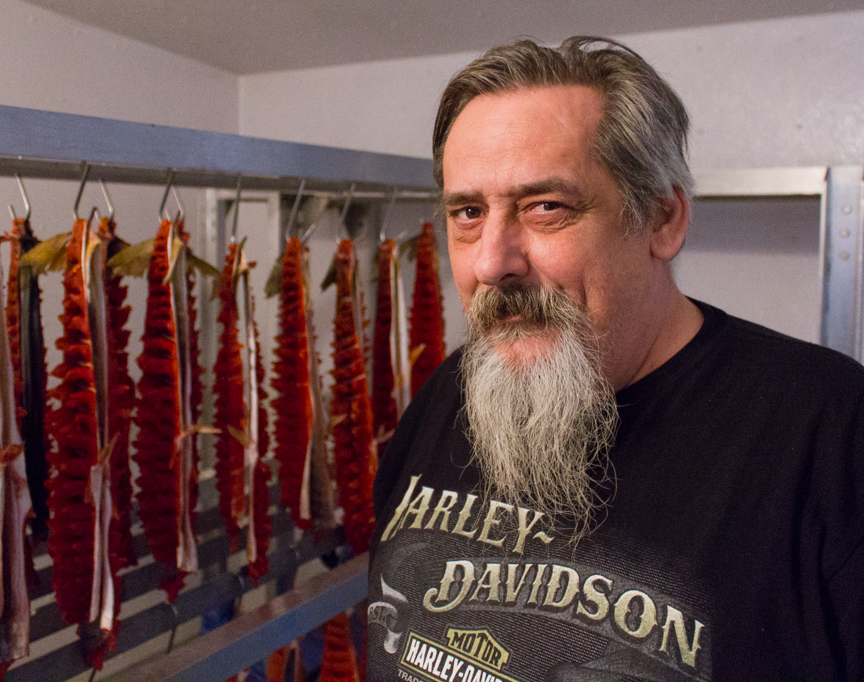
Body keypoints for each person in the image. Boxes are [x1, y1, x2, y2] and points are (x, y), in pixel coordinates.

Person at [366, 37, 863, 681]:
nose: (492, 263)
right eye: (467, 212)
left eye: (546, 208)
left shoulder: (829, 428)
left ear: (662, 219)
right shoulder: (450, 391)